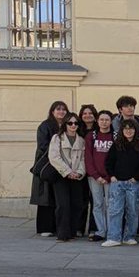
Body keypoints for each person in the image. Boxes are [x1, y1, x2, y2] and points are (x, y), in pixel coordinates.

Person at [104, 119, 139, 247]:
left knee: (133, 211)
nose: (128, 131)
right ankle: (114, 237)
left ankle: (129, 236)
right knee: (115, 210)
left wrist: (136, 177)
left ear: (136, 130)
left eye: (131, 128)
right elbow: (109, 162)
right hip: (117, 183)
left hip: (133, 183)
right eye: (125, 129)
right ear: (121, 131)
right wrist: (112, 176)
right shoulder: (116, 145)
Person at [31, 100, 68, 236]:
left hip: (63, 164)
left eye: (63, 109)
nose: (61, 112)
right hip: (48, 163)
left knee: (59, 197)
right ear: (52, 111)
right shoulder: (45, 125)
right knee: (46, 196)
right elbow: (43, 145)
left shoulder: (68, 125)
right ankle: (45, 228)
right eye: (58, 109)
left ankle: (59, 226)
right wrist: (57, 154)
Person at [47, 112, 86, 241]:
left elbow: (83, 159)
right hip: (61, 176)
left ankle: (73, 231)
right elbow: (54, 157)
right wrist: (67, 172)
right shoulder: (57, 138)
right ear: (65, 124)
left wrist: (79, 172)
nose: (73, 125)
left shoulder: (81, 140)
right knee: (63, 205)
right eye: (70, 123)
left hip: (76, 177)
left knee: (77, 204)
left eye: (76, 123)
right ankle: (63, 234)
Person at [83, 110, 115, 242]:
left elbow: (117, 158)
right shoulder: (91, 136)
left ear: (111, 121)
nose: (104, 122)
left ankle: (111, 231)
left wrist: (108, 176)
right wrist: (96, 176)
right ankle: (101, 231)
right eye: (101, 119)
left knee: (110, 204)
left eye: (107, 120)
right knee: (97, 204)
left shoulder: (116, 136)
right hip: (94, 177)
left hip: (110, 177)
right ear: (97, 121)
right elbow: (88, 158)